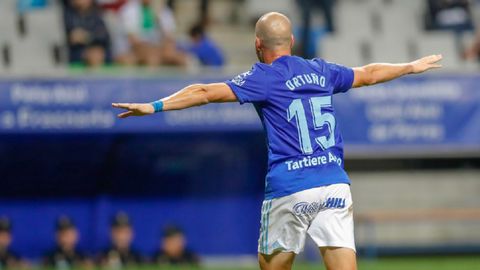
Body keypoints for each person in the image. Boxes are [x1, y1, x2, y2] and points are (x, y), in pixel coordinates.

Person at [112, 12, 442, 270]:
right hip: (332, 183)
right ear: (293, 41)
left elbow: (204, 92)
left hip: (291, 186)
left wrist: (153, 106)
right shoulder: (321, 70)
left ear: (258, 45)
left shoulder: (263, 77)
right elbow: (369, 73)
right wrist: (410, 66)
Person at [116, 0, 186, 66]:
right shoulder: (129, 10)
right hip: (132, 51)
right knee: (152, 59)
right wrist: (153, 51)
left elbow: (169, 38)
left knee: (181, 59)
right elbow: (133, 41)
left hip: (157, 50)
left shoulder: (163, 11)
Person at [63, 0, 112, 67]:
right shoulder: (66, 14)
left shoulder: (97, 14)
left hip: (97, 53)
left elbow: (104, 36)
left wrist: (87, 37)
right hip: (75, 56)